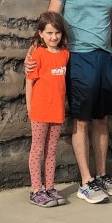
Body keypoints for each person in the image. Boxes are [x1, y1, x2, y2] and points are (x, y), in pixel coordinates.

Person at [46, 0, 112, 204]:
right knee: (82, 119)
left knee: (102, 119)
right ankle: (86, 181)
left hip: (105, 57)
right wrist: (41, 52)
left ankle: (101, 174)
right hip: (78, 56)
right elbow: (52, 19)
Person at [25, 11, 71, 208]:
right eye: (49, 33)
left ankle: (50, 187)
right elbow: (29, 83)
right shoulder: (37, 54)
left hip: (57, 110)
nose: (54, 37)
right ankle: (37, 190)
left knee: (51, 150)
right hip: (40, 111)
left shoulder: (65, 54)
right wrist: (30, 108)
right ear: (41, 33)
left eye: (57, 33)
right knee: (37, 149)